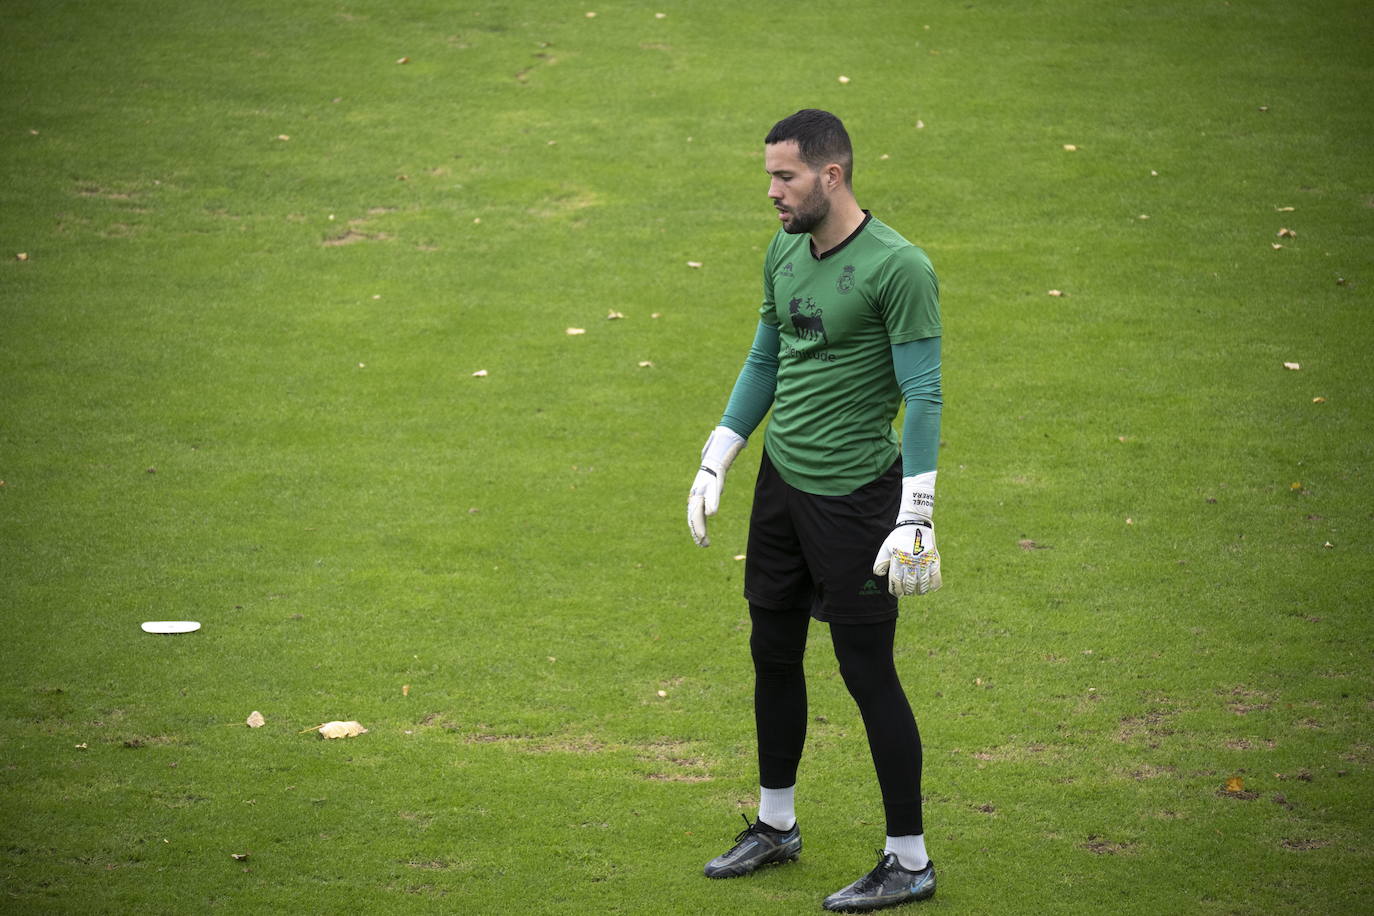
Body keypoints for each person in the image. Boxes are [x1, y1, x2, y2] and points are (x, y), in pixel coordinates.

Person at [687, 109, 943, 912]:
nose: (772, 191)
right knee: (771, 651)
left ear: (831, 175)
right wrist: (719, 452)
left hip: (858, 501)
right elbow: (768, 355)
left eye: (785, 176)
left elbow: (924, 392)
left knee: (867, 672)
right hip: (783, 486)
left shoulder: (899, 268)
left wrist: (917, 511)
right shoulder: (785, 249)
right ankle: (776, 826)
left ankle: (909, 860)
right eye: (769, 175)